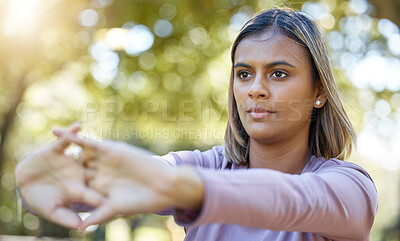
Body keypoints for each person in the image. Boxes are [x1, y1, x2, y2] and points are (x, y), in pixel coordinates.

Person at [15, 7, 377, 240]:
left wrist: (184, 188)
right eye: (244, 73)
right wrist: (38, 181)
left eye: (279, 73)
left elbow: (296, 201)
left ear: (319, 91)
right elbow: (92, 185)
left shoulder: (349, 187)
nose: (256, 90)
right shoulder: (201, 167)